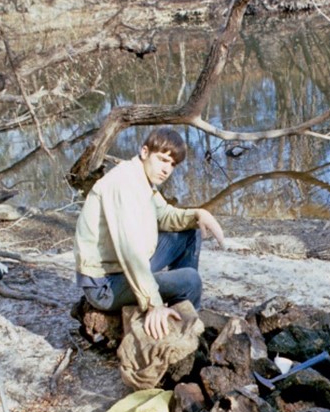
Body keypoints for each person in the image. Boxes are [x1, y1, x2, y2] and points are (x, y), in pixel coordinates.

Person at [73, 127, 225, 340]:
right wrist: (153, 303)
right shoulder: (123, 184)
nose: (167, 169)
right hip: (105, 286)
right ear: (145, 152)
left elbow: (164, 216)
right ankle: (182, 334)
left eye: (172, 164)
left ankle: (179, 308)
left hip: (120, 269)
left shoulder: (141, 179)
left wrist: (197, 215)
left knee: (189, 233)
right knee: (191, 280)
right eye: (163, 159)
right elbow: (130, 252)